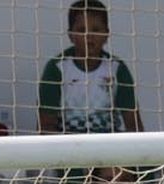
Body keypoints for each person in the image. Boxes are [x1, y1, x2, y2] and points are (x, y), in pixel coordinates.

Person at [38, 0, 144, 136]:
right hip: (67, 148)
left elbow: (133, 125)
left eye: (96, 29)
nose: (89, 36)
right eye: (82, 30)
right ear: (71, 35)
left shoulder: (117, 69)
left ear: (106, 34)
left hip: (107, 147)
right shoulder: (57, 68)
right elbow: (45, 126)